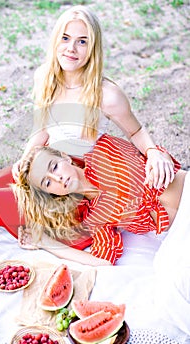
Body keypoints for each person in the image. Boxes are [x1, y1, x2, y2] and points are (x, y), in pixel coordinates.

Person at [12, 5, 175, 190]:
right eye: (65, 38)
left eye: (82, 42)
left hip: (76, 181)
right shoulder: (43, 77)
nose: (71, 48)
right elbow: (43, 129)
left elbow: (135, 132)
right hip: (50, 168)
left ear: (93, 49)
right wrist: (25, 158)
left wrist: (153, 152)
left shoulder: (106, 94)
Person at [12, 133, 187, 266]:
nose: (58, 178)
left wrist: (157, 154)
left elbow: (48, 118)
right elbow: (103, 262)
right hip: (182, 231)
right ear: (52, 193)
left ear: (65, 157)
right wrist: (45, 242)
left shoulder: (103, 151)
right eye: (48, 182)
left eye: (55, 167)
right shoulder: (95, 216)